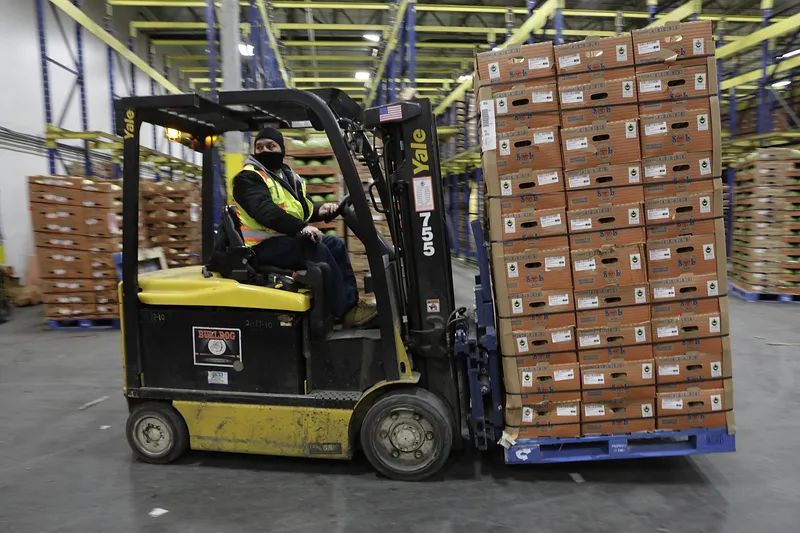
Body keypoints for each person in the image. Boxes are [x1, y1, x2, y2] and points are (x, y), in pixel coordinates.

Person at [227, 127, 377, 328]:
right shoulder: (248, 178)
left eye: (271, 146)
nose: (264, 151)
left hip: (282, 241)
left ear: (281, 150)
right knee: (314, 247)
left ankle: (350, 306)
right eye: (259, 147)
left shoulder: (286, 177)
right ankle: (343, 310)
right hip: (261, 247)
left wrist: (320, 210)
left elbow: (301, 209)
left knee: (335, 244)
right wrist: (301, 228)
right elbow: (265, 211)